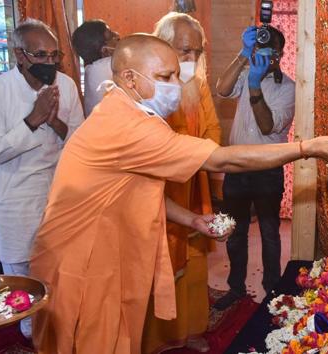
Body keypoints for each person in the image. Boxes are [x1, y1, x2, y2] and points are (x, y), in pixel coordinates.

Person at [29, 34, 328, 354]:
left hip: (100, 249)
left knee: (116, 336)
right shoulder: (126, 125)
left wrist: (191, 218)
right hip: (80, 259)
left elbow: (133, 190)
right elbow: (222, 158)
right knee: (91, 341)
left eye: (177, 74)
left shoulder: (124, 108)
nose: (177, 85)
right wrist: (306, 148)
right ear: (130, 79)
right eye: (165, 75)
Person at [0, 18, 84, 337]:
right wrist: (33, 119)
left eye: (54, 55)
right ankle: (31, 334)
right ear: (19, 55)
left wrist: (55, 121)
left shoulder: (66, 85)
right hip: (13, 197)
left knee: (60, 269)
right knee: (23, 276)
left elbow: (79, 143)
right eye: (40, 55)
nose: (49, 63)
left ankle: (60, 329)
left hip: (58, 193)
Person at [142, 12, 221, 353]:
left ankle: (190, 330)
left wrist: (198, 156)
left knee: (195, 264)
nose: (190, 60)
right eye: (184, 51)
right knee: (159, 266)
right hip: (158, 190)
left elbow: (213, 132)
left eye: (196, 53)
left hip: (193, 185)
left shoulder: (198, 85)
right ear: (163, 48)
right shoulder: (149, 87)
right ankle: (159, 339)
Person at [213, 25, 294, 310]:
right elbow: (221, 90)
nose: (263, 55)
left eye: (269, 50)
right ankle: (235, 288)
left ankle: (271, 290)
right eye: (258, 48)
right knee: (236, 231)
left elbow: (267, 125)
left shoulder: (288, 88)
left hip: (268, 170)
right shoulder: (246, 71)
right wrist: (242, 55)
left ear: (279, 54)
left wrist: (256, 86)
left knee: (270, 232)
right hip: (236, 165)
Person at [71, 19, 120, 116]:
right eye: (111, 35)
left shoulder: (91, 69)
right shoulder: (109, 65)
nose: (117, 35)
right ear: (105, 50)